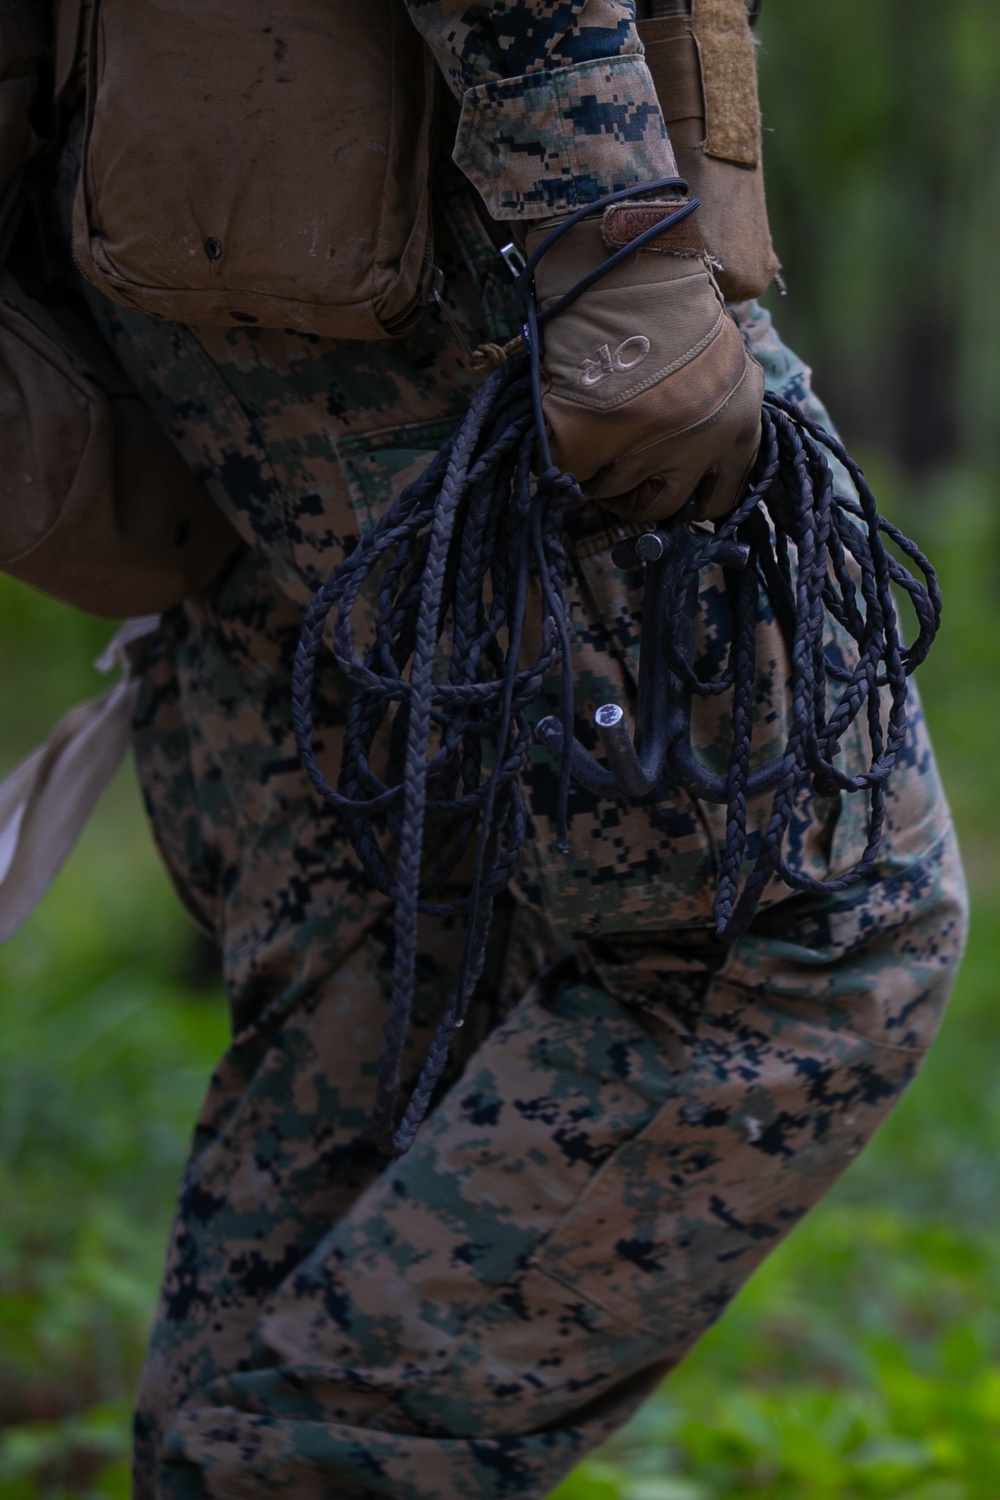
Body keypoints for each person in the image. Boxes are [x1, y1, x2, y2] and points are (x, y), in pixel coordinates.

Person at [2, 1, 967, 1496]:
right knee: (813, 915)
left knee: (392, 945)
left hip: (201, 220)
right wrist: (605, 229)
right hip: (445, 245)